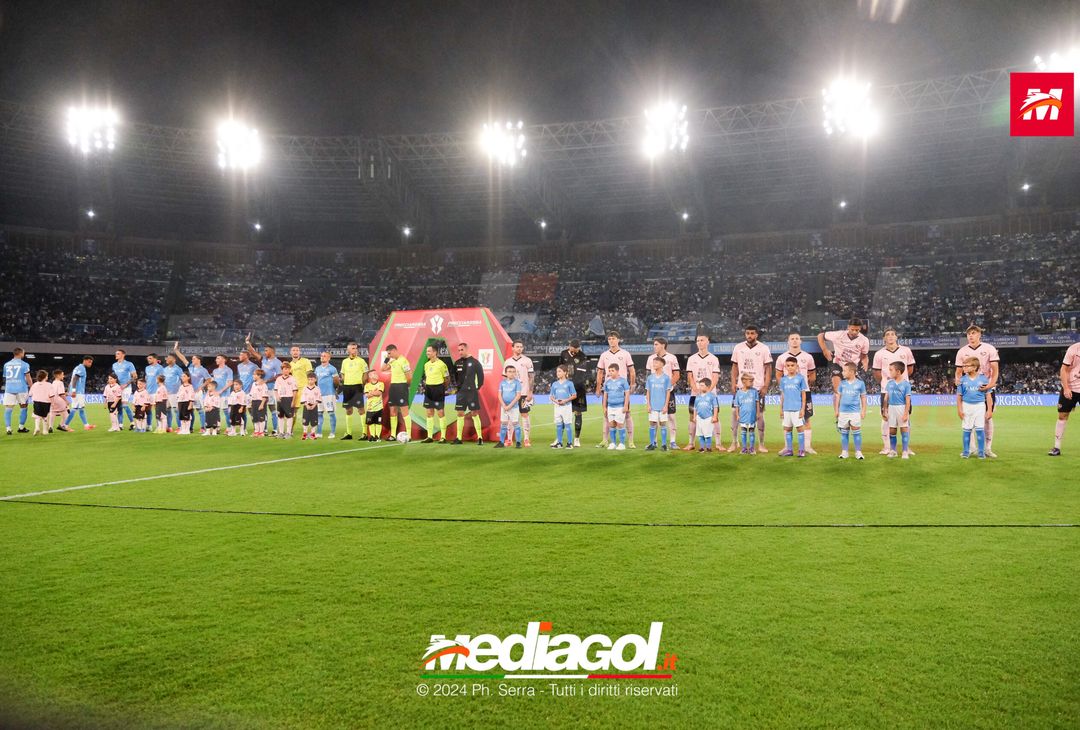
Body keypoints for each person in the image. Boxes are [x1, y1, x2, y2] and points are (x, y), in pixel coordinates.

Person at [953, 325, 999, 458]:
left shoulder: (989, 348)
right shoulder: (962, 351)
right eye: (968, 334)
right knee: (969, 418)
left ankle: (987, 448)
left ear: (979, 334)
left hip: (986, 387)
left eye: (973, 333)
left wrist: (990, 385)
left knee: (987, 418)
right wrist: (957, 380)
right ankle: (972, 448)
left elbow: (995, 369)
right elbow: (958, 371)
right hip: (969, 388)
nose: (971, 336)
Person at [872, 328, 915, 455]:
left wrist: (902, 381)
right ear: (884, 338)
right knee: (885, 417)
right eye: (887, 335)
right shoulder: (879, 354)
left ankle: (907, 447)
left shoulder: (905, 350)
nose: (890, 336)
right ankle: (887, 447)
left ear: (896, 337)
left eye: (892, 334)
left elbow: (910, 369)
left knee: (906, 417)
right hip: (887, 389)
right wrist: (886, 382)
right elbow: (876, 372)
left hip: (902, 389)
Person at [729, 326, 772, 453]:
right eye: (747, 333)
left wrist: (765, 386)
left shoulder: (763, 348)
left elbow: (768, 368)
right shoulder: (738, 347)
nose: (749, 335)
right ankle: (734, 442)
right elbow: (734, 367)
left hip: (757, 387)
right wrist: (733, 383)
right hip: (740, 388)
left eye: (752, 333)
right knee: (734, 414)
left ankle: (761, 444)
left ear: (757, 335)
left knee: (760, 416)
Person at [775, 333, 817, 453]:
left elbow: (812, 374)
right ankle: (787, 447)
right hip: (788, 392)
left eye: (797, 338)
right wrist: (786, 386)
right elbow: (778, 374)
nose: (794, 341)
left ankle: (807, 447)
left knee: (807, 419)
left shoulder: (808, 357)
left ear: (801, 341)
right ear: (788, 341)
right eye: (792, 339)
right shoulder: (782, 357)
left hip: (805, 392)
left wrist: (805, 385)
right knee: (787, 421)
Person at [595, 331, 636, 448]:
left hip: (621, 388)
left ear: (618, 340)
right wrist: (598, 387)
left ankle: (631, 441)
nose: (611, 341)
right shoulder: (604, 355)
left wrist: (632, 384)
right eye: (609, 339)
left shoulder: (625, 354)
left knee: (627, 414)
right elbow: (600, 372)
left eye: (613, 338)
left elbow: (632, 371)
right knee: (606, 414)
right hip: (608, 388)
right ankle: (605, 440)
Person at [685, 334, 720, 451]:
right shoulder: (691, 359)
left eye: (702, 340)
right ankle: (691, 443)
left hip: (711, 394)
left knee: (715, 418)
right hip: (695, 395)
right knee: (692, 418)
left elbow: (715, 377)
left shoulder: (713, 359)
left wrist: (708, 392)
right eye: (698, 340)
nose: (699, 342)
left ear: (708, 342)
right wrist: (696, 390)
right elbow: (690, 376)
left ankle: (718, 443)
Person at [818, 319, 870, 394]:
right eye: (852, 329)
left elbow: (864, 355)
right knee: (837, 388)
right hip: (838, 363)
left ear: (860, 329)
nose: (854, 332)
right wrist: (825, 350)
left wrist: (865, 362)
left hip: (852, 366)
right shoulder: (839, 335)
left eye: (857, 330)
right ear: (848, 327)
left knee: (854, 391)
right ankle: (839, 404)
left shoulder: (864, 340)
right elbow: (820, 336)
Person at [245, 337, 283, 435]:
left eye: (266, 350)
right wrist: (247, 342)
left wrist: (266, 380)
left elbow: (279, 375)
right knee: (262, 409)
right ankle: (263, 430)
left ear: (272, 351)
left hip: (271, 389)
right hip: (261, 389)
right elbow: (253, 352)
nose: (264, 352)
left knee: (272, 408)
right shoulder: (264, 360)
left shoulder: (277, 362)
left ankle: (275, 430)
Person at [1049, 340, 1080, 456]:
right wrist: (1066, 388)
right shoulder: (1074, 349)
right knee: (1062, 415)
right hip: (1071, 387)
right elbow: (1064, 369)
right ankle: (1056, 447)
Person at [557, 339, 590, 447]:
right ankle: (559, 439)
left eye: (577, 349)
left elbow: (582, 374)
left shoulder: (582, 356)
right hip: (565, 388)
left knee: (577, 412)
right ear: (569, 346)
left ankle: (576, 439)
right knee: (562, 413)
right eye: (573, 349)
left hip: (578, 388)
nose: (575, 351)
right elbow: (560, 369)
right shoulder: (563, 354)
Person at [650, 337, 681, 450]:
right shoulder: (650, 359)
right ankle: (654, 442)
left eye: (656, 344)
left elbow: (677, 374)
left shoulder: (672, 358)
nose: (654, 346)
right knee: (655, 418)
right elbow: (650, 376)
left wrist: (668, 386)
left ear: (663, 345)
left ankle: (672, 441)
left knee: (671, 417)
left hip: (668, 392)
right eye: (654, 344)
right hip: (655, 393)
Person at [957, 357, 991, 459]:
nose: (964, 368)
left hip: (980, 406)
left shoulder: (983, 378)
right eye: (963, 366)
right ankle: (966, 452)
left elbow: (988, 395)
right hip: (966, 406)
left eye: (967, 366)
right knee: (966, 430)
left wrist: (989, 410)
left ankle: (981, 453)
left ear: (974, 367)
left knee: (980, 430)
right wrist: (959, 410)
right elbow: (959, 396)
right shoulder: (962, 380)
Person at [451, 342, 485, 445]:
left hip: (472, 392)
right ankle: (459, 438)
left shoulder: (475, 362)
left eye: (462, 350)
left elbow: (481, 377)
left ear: (466, 349)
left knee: (474, 413)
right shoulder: (457, 363)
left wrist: (476, 387)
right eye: (459, 350)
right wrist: (458, 387)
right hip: (461, 393)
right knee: (460, 413)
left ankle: (480, 438)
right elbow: (455, 377)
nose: (460, 352)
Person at [173, 343, 210, 432]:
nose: (192, 360)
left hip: (197, 392)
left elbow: (209, 379)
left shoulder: (203, 370)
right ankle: (190, 428)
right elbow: (183, 358)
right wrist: (176, 350)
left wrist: (201, 387)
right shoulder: (190, 367)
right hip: (188, 392)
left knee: (200, 410)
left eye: (194, 358)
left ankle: (202, 428)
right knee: (190, 410)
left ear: (199, 360)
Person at [777, 356, 809, 457]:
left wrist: (803, 409)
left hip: (797, 409)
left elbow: (803, 394)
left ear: (796, 366)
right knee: (787, 429)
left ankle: (801, 451)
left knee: (800, 429)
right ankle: (789, 450)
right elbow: (782, 395)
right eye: (788, 366)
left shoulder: (800, 378)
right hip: (786, 409)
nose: (790, 367)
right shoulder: (783, 380)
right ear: (785, 367)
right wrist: (781, 409)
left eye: (792, 365)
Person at [835, 362, 867, 460]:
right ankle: (844, 452)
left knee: (856, 432)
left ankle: (858, 452)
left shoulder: (860, 384)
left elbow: (863, 397)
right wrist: (836, 410)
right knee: (844, 432)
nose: (842, 373)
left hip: (855, 412)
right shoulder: (842, 383)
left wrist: (863, 410)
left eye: (844, 371)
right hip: (843, 412)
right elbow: (838, 397)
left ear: (852, 372)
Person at [507, 340, 535, 446]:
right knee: (510, 415)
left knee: (524, 414)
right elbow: (505, 379)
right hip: (511, 394)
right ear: (512, 348)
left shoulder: (527, 360)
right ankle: (509, 439)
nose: (519, 348)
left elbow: (531, 377)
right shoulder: (508, 361)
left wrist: (530, 391)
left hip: (523, 393)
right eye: (517, 346)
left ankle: (526, 439)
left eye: (521, 347)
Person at [338, 341, 368, 441]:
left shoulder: (361, 361)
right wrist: (343, 380)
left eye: (356, 348)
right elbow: (342, 373)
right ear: (348, 350)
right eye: (353, 348)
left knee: (361, 409)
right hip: (347, 387)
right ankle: (349, 433)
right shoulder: (345, 361)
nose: (355, 350)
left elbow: (365, 374)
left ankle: (364, 433)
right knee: (348, 410)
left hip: (357, 387)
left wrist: (362, 384)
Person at [883, 361, 913, 459]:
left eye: (891, 370)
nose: (889, 372)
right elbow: (886, 398)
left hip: (901, 407)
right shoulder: (889, 383)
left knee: (904, 430)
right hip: (891, 408)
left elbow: (908, 401)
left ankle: (905, 451)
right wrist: (885, 411)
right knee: (892, 431)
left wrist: (906, 413)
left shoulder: (906, 384)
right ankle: (893, 450)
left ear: (898, 372)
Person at [381, 344, 412, 441]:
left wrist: (404, 386)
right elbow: (383, 368)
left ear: (394, 350)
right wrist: (386, 359)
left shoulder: (404, 361)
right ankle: (393, 435)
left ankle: (409, 435)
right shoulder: (392, 361)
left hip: (401, 386)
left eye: (389, 353)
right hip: (393, 387)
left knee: (404, 412)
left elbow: (409, 377)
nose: (389, 355)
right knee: (393, 411)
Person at [420, 344, 450, 443]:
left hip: (438, 389)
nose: (427, 353)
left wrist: (442, 389)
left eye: (429, 351)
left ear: (435, 352)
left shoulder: (442, 364)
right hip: (429, 389)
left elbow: (447, 379)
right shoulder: (426, 364)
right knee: (429, 413)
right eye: (426, 351)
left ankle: (443, 437)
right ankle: (429, 437)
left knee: (440, 412)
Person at [644, 357, 672, 451]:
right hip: (653, 406)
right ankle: (652, 444)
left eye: (656, 362)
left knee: (663, 424)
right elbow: (648, 392)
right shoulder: (650, 378)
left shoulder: (666, 378)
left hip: (662, 406)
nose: (654, 364)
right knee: (652, 424)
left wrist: (666, 405)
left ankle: (664, 445)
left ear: (661, 364)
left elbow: (668, 392)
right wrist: (648, 404)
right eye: (653, 362)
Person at [601, 363, 630, 451]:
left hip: (620, 406)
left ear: (617, 371)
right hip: (610, 406)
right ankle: (613, 443)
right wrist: (604, 407)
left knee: (620, 424)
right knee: (611, 424)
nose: (610, 372)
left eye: (612, 370)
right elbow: (605, 395)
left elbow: (627, 394)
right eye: (609, 371)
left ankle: (621, 443)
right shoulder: (607, 382)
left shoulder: (623, 381)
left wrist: (626, 405)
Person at [3, 347, 32, 434]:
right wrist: (32, 387)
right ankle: (21, 427)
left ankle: (8, 428)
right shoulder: (25, 364)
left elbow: (6, 377)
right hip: (21, 389)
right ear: (20, 353)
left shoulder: (6, 364)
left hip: (9, 389)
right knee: (24, 407)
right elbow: (28, 378)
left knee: (8, 408)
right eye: (24, 353)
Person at [495, 365, 523, 449]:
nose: (512, 373)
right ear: (506, 373)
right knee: (503, 424)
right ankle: (501, 442)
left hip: (513, 407)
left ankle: (518, 442)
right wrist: (503, 405)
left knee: (515, 424)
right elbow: (499, 395)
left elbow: (518, 396)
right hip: (504, 407)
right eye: (510, 371)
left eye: (513, 371)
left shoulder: (517, 383)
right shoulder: (502, 383)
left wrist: (510, 406)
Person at [550, 364, 577, 449]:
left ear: (565, 372)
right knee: (558, 425)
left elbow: (574, 395)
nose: (557, 373)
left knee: (567, 425)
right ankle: (559, 443)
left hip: (566, 407)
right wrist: (556, 401)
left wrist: (565, 400)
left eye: (560, 371)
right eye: (557, 371)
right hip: (557, 407)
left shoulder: (569, 383)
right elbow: (551, 396)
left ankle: (569, 443)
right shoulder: (554, 384)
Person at [314, 351, 340, 439]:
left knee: (331, 413)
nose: (322, 357)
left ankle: (332, 432)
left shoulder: (332, 369)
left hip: (329, 394)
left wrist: (335, 391)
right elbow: (316, 381)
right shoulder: (317, 369)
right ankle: (319, 432)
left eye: (325, 356)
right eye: (321, 356)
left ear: (329, 358)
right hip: (319, 395)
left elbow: (336, 381)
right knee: (319, 413)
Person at [65, 355, 95, 430]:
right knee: (75, 408)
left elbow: (72, 380)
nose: (90, 364)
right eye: (89, 362)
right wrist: (74, 391)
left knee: (80, 408)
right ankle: (65, 425)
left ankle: (86, 425)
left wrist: (69, 390)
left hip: (77, 391)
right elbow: (75, 379)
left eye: (91, 362)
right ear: (84, 360)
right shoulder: (81, 368)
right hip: (78, 392)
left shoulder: (77, 367)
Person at [692, 378, 719, 453]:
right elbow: (695, 408)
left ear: (708, 386)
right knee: (700, 434)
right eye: (699, 385)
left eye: (702, 385)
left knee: (708, 434)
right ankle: (701, 448)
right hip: (699, 418)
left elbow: (715, 407)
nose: (700, 387)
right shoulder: (698, 396)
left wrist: (715, 417)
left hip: (708, 418)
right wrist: (694, 417)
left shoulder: (712, 396)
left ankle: (708, 448)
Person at [734, 372, 759, 454]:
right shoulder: (738, 393)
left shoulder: (754, 391)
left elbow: (757, 403)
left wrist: (758, 413)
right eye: (750, 381)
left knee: (752, 432)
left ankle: (752, 448)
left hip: (752, 415)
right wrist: (737, 415)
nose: (752, 383)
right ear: (744, 381)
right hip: (743, 415)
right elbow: (737, 405)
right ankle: (744, 448)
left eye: (752, 381)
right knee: (743, 432)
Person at [112, 349, 137, 429]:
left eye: (118, 354)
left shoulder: (129, 364)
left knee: (125, 405)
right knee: (119, 407)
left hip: (126, 388)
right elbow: (114, 377)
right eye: (116, 354)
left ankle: (132, 423)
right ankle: (120, 425)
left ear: (123, 355)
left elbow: (135, 376)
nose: (116, 355)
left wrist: (126, 384)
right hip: (117, 388)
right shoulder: (114, 365)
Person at [210, 354, 234, 434]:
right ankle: (217, 427)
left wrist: (221, 390)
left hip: (225, 395)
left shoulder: (228, 370)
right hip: (216, 395)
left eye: (218, 358)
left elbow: (230, 383)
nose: (216, 360)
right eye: (216, 358)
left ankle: (229, 427)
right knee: (216, 412)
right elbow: (213, 382)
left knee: (226, 412)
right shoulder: (215, 371)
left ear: (224, 360)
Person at [275, 362, 297, 439]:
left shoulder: (292, 379)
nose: (286, 370)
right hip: (281, 399)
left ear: (289, 370)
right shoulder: (278, 379)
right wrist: (277, 397)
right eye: (284, 369)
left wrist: (293, 401)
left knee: (289, 416)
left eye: (287, 369)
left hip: (289, 398)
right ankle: (281, 432)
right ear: (282, 370)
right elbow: (275, 389)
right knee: (280, 416)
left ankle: (288, 432)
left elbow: (295, 391)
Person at [288, 346, 314, 412]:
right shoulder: (290, 364)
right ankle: (291, 422)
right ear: (290, 352)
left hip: (305, 388)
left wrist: (311, 387)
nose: (295, 352)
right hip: (295, 389)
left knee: (308, 408)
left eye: (297, 350)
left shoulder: (306, 361)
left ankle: (307, 422)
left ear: (300, 352)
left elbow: (310, 375)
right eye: (293, 350)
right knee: (293, 409)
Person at [162, 354, 184, 432]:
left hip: (175, 393)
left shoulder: (178, 369)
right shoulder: (165, 369)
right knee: (167, 410)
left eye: (169, 358)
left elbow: (183, 379)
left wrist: (181, 391)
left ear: (174, 359)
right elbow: (163, 381)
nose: (166, 359)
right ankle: (169, 427)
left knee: (176, 410)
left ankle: (180, 427)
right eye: (166, 358)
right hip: (166, 393)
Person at [364, 369, 385, 442]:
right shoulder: (367, 385)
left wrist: (371, 392)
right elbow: (366, 395)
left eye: (376, 373)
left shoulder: (381, 384)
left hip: (379, 408)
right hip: (370, 408)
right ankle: (372, 436)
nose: (376, 374)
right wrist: (374, 392)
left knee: (378, 422)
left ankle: (377, 436)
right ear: (370, 376)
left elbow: (379, 393)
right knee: (370, 423)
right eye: (374, 373)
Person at [29, 370, 53, 436]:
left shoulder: (34, 384)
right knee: (45, 416)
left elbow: (30, 394)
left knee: (37, 416)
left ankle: (37, 427)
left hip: (36, 402)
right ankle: (45, 430)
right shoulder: (49, 385)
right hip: (46, 403)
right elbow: (51, 395)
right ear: (45, 377)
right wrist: (53, 403)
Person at [145, 354, 165, 431]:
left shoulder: (160, 368)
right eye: (148, 358)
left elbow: (163, 379)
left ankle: (159, 426)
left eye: (150, 358)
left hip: (156, 391)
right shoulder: (147, 368)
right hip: (148, 391)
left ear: (155, 359)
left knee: (157, 409)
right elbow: (147, 378)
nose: (148, 360)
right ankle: (149, 426)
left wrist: (161, 390)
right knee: (147, 409)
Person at [300, 373, 320, 441]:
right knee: (305, 420)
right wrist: (306, 405)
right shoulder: (305, 388)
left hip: (314, 406)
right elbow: (303, 397)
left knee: (314, 421)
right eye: (309, 379)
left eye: (312, 379)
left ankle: (312, 434)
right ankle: (305, 433)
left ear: (315, 380)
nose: (310, 381)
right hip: (306, 406)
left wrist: (314, 405)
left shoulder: (317, 388)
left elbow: (318, 398)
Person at [250, 370, 269, 438]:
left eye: (255, 374)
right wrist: (251, 402)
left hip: (260, 402)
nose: (253, 376)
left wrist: (262, 404)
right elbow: (251, 394)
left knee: (261, 418)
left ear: (259, 376)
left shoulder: (264, 385)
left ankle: (261, 432)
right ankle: (256, 431)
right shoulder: (253, 384)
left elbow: (265, 396)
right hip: (254, 402)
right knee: (255, 418)